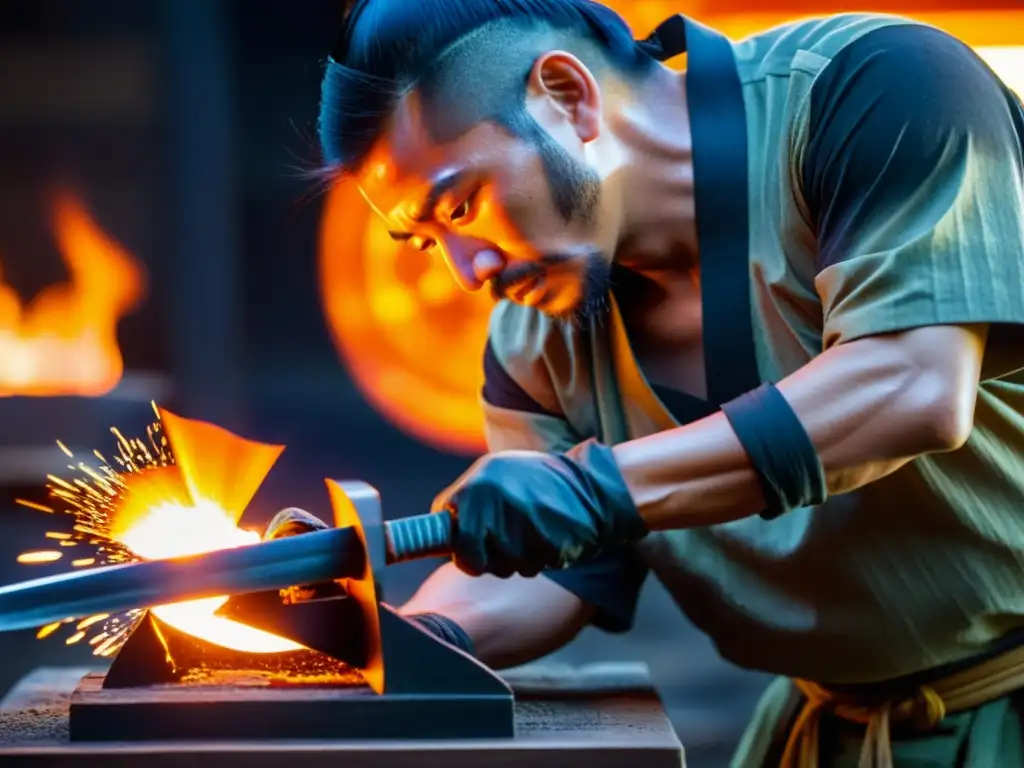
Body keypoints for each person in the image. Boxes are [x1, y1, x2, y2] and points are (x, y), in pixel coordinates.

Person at [301, 0, 1024, 764]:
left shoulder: (876, 89)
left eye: (460, 205)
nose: (466, 271)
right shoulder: (533, 338)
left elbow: (911, 386)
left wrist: (595, 490)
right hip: (825, 736)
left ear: (567, 96)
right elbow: (555, 568)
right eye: (424, 240)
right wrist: (402, 642)